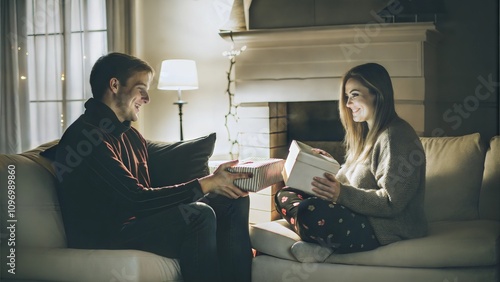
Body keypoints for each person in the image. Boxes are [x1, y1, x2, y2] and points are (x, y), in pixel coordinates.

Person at [53, 52, 253, 282]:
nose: (147, 98)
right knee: (199, 215)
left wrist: (217, 185)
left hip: (139, 224)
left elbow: (150, 196)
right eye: (141, 88)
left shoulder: (132, 137)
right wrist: (206, 184)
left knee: (232, 200)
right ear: (115, 85)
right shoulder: (85, 137)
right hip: (106, 236)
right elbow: (135, 199)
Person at [275, 63, 427, 255]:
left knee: (309, 210)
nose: (347, 104)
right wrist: (328, 166)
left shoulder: (395, 136)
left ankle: (313, 232)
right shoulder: (368, 135)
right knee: (285, 194)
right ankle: (316, 234)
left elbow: (392, 202)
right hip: (358, 215)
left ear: (378, 94)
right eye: (347, 97)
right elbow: (351, 182)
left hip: (383, 227)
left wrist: (341, 195)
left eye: (354, 95)